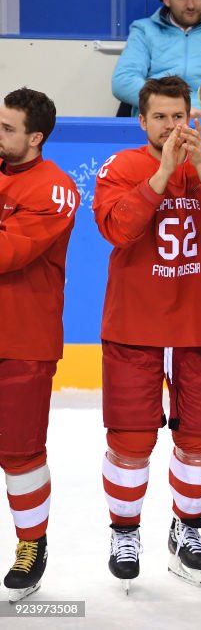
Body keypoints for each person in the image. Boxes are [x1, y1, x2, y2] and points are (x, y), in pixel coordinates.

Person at [92, 76, 201, 590]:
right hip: (134, 326)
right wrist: (162, 175)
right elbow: (117, 230)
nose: (170, 127)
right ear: (141, 121)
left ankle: (186, 528)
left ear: (193, 117)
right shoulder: (121, 167)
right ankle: (125, 532)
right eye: (160, 117)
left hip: (200, 323)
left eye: (178, 116)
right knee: (130, 438)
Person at [0, 88, 76, 602]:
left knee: (20, 452)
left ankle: (32, 543)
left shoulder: (56, 189)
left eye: (7, 129)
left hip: (22, 340)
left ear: (35, 137)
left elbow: (7, 253)